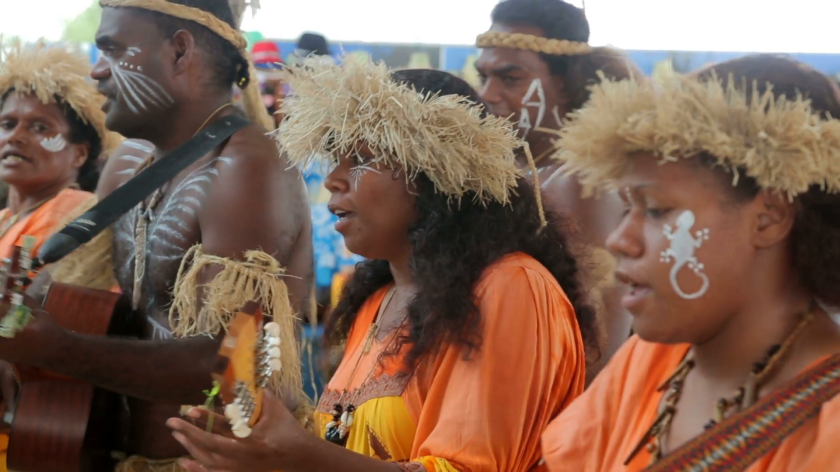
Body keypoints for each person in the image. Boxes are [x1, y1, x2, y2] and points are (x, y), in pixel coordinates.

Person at [166, 59, 599, 472]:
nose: (334, 178)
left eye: (363, 158)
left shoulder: (510, 287)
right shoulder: (377, 300)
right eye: (336, 157)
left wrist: (301, 455)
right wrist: (264, 458)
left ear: (437, 173)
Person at [0, 1, 313, 470]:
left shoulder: (246, 168)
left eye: (111, 49)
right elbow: (79, 304)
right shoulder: (126, 165)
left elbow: (235, 366)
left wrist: (58, 348)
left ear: (180, 52)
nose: (97, 71)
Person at [541, 55, 840, 471]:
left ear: (769, 217)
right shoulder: (644, 362)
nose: (619, 239)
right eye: (627, 208)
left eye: (659, 210)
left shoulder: (831, 430)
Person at [475, 0, 640, 383]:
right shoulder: (522, 170)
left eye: (510, 78)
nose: (488, 94)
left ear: (565, 84)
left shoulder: (580, 183)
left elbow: (597, 347)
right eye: (483, 76)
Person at [0, 40, 122, 472]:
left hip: (30, 431)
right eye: (8, 123)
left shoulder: (78, 213)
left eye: (39, 128)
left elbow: (35, 323)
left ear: (80, 153)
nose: (15, 135)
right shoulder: (5, 218)